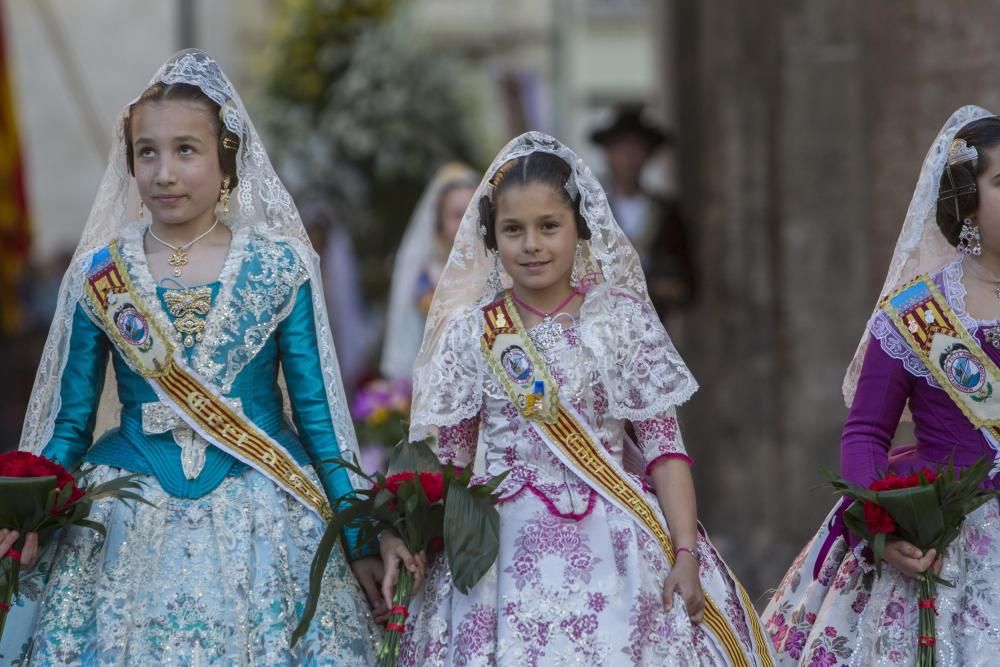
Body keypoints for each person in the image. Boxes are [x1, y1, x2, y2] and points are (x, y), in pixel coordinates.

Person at [0, 50, 382, 665]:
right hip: (127, 513)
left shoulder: (280, 265)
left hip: (261, 509)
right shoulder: (100, 274)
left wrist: (359, 536)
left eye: (186, 150)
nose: (164, 172)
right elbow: (70, 425)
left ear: (226, 160)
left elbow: (318, 415)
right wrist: (28, 514)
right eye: (147, 152)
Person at [378, 132, 775, 665]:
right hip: (499, 552)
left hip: (614, 537)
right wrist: (412, 540)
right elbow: (451, 463)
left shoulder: (620, 318)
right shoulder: (471, 332)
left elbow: (664, 446)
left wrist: (684, 551)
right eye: (513, 230)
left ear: (578, 228)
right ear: (492, 239)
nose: (532, 245)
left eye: (548, 226)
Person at [763, 106, 1000, 665]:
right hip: (950, 551)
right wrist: (884, 529)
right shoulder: (916, 312)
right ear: (967, 199)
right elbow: (868, 431)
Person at [591, 104, 696, 318]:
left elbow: (688, 285)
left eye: (637, 148)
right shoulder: (590, 208)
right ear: (608, 153)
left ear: (648, 155)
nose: (630, 156)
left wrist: (661, 287)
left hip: (651, 328)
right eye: (621, 148)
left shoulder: (666, 213)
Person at [380, 163, 478, 381]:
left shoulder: (504, 271)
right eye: (457, 214)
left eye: (474, 211)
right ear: (440, 224)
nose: (467, 222)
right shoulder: (427, 277)